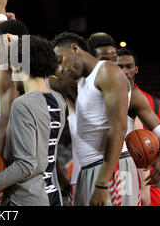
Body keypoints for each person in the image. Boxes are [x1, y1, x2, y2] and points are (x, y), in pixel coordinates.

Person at [0, 35, 67, 205]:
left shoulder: (23, 104)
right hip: (52, 194)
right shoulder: (58, 100)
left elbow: (26, 165)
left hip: (28, 198)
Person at [51, 32, 140, 206]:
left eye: (61, 60)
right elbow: (29, 76)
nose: (60, 69)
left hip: (111, 169)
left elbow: (119, 129)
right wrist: (15, 37)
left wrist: (102, 183)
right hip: (89, 168)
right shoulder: (81, 82)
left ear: (75, 48)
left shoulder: (107, 70)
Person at [117, 47, 160, 206]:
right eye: (119, 67)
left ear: (136, 69)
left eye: (128, 66)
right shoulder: (105, 99)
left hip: (147, 181)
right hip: (119, 176)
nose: (125, 71)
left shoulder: (153, 103)